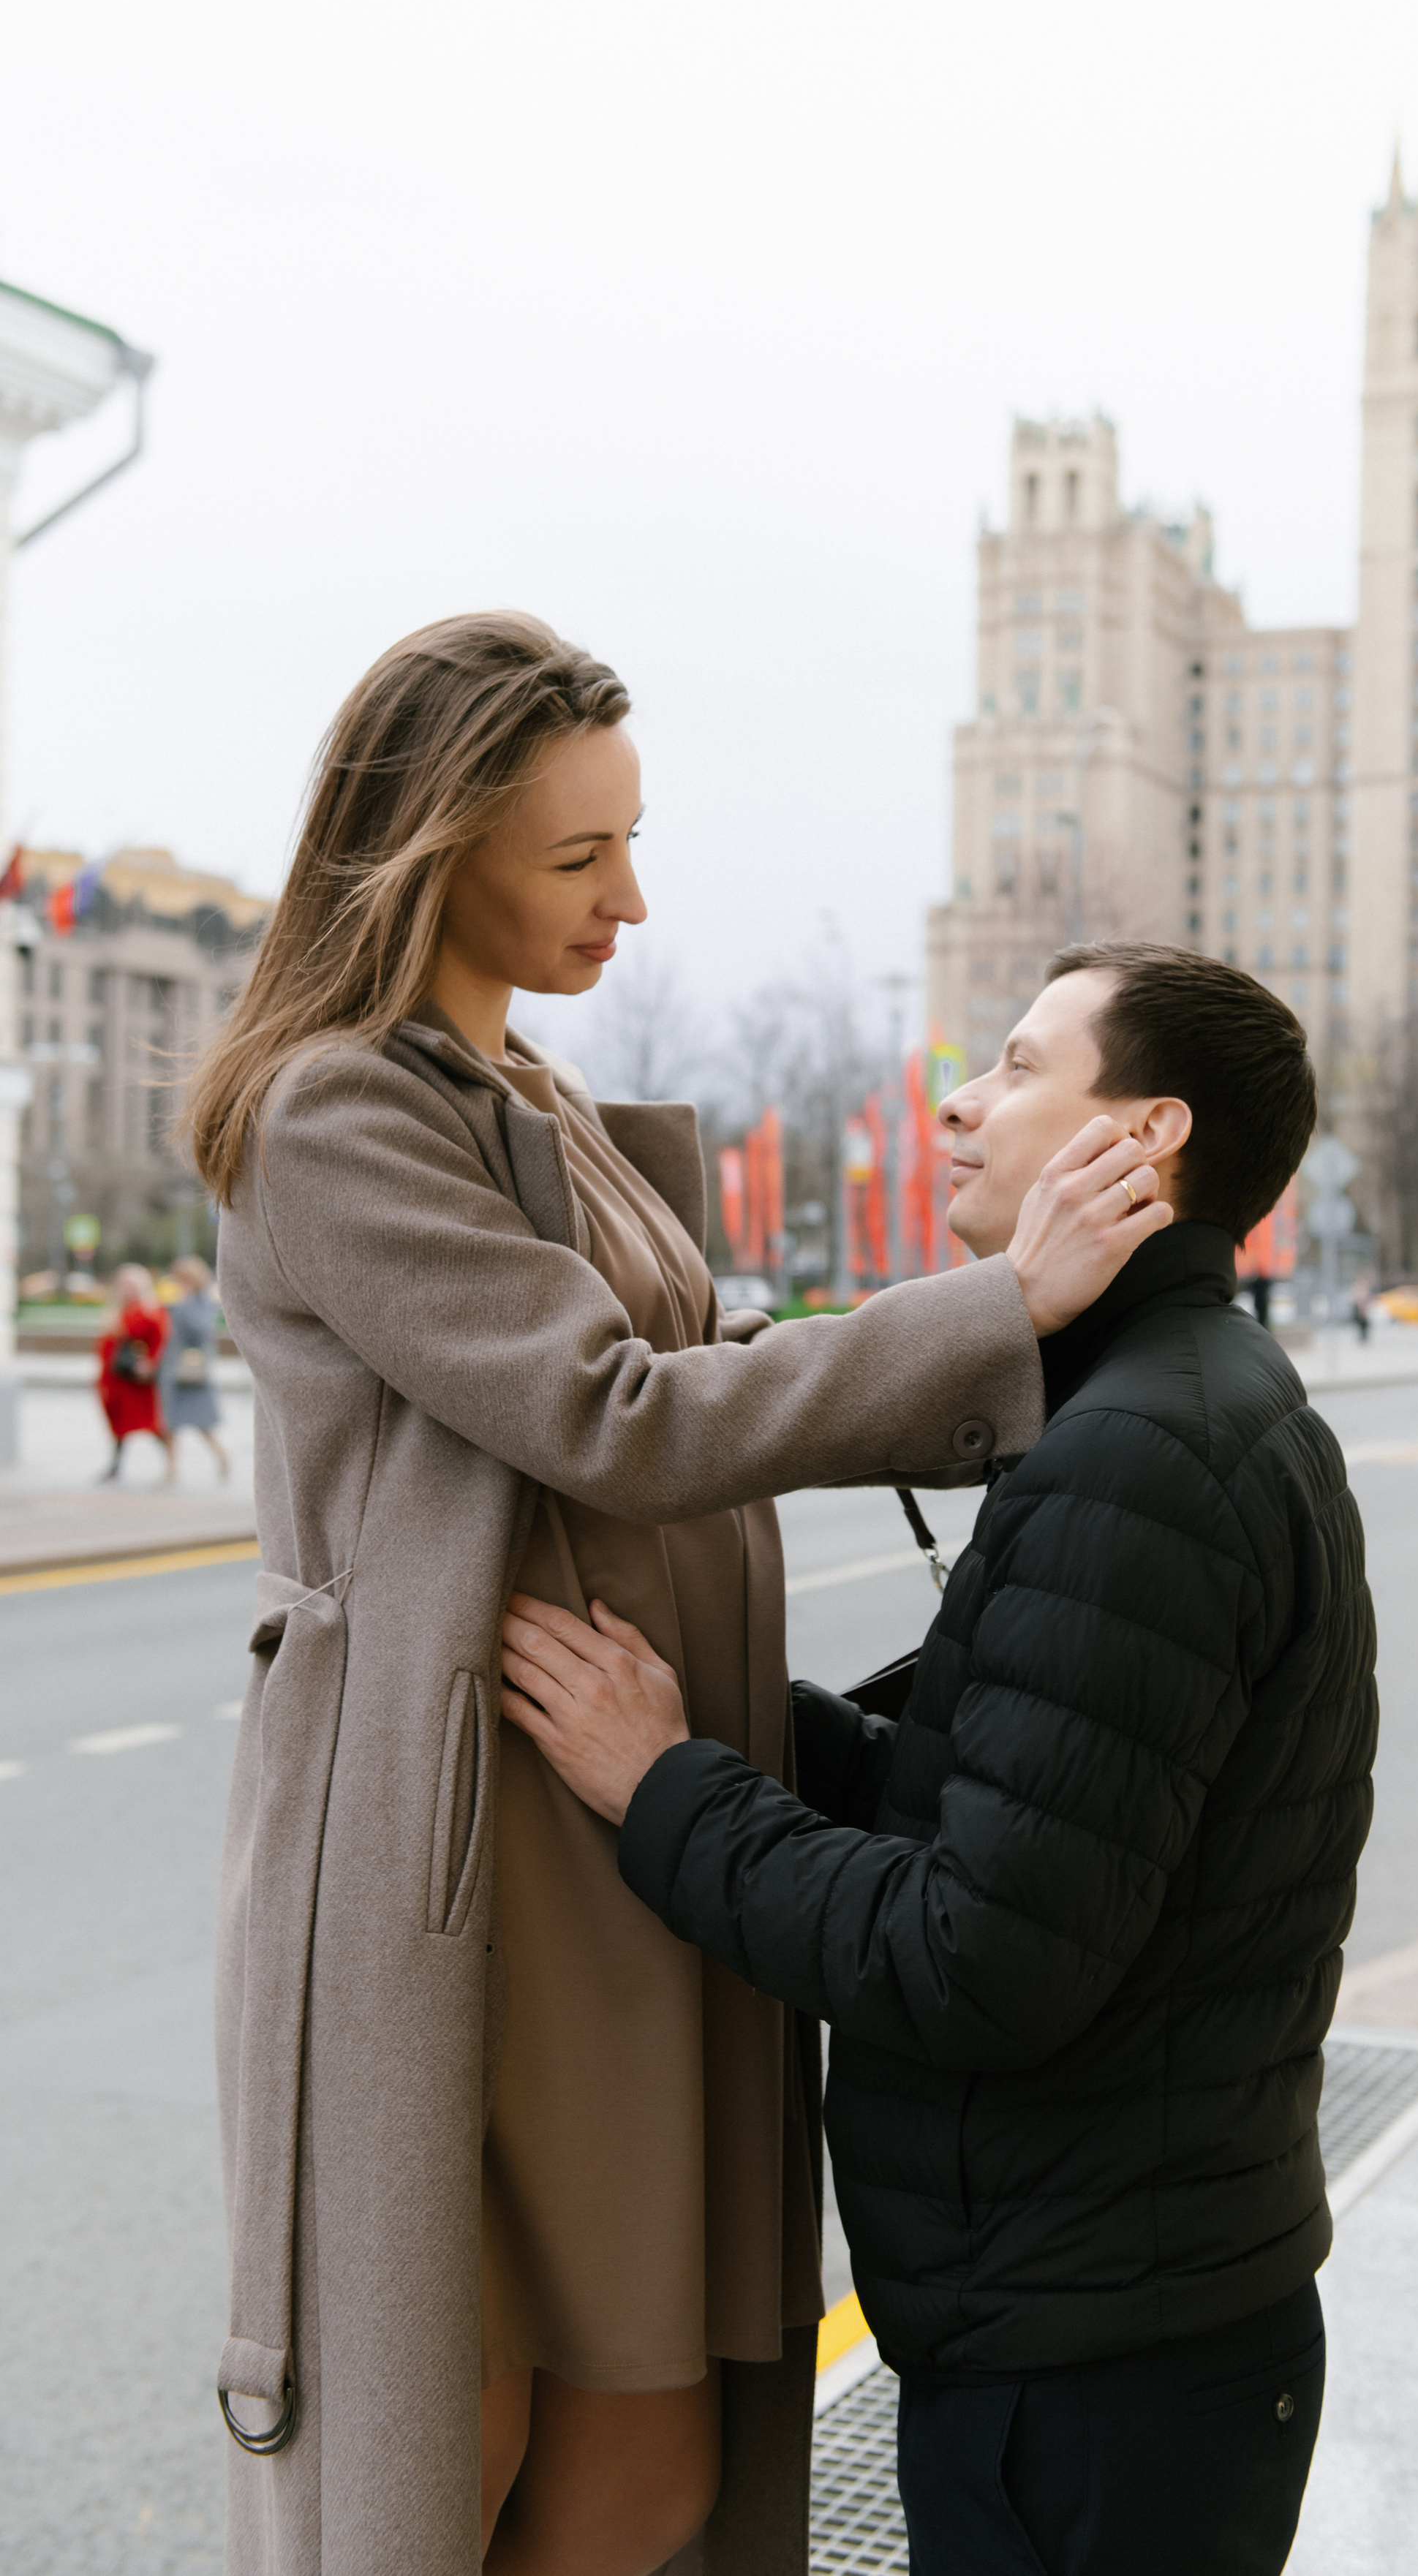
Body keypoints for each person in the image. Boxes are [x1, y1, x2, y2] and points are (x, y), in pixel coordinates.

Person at [186, 611, 1164, 2576]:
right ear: (432, 847)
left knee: (650, 2462)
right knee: (441, 2438)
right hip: (453, 1862)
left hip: (622, 1827)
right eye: (578, 858)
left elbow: (712, 1339)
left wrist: (992, 1339)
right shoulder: (336, 1108)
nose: (633, 896)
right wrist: (996, 1311)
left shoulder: (524, 1089)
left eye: (630, 840)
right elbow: (612, 1411)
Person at [501, 942, 1379, 2576]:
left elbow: (974, 1955)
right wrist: (730, 1725)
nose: (958, 1103)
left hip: (1092, 2373)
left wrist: (664, 1788)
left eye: (1022, 1068)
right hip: (1125, 2316)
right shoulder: (1172, 1400)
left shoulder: (1137, 1456)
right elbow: (1028, 1798)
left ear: (1145, 1139)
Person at [96, 1263, 175, 1482]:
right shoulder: (117, 1310)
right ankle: (115, 1466)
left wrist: (149, 1364)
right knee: (118, 1425)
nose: (127, 1289)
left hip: (135, 1379)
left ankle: (171, 1463)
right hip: (115, 1378)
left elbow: (159, 1340)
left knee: (150, 1423)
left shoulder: (149, 1310)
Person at [158, 1255, 232, 1480]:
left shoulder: (203, 1301)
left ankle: (222, 1457)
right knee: (169, 1422)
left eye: (184, 1278)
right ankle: (171, 1468)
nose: (180, 1282)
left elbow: (200, 1330)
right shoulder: (176, 1300)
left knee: (202, 1422)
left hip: (193, 1369)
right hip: (171, 1368)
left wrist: (184, 1303)